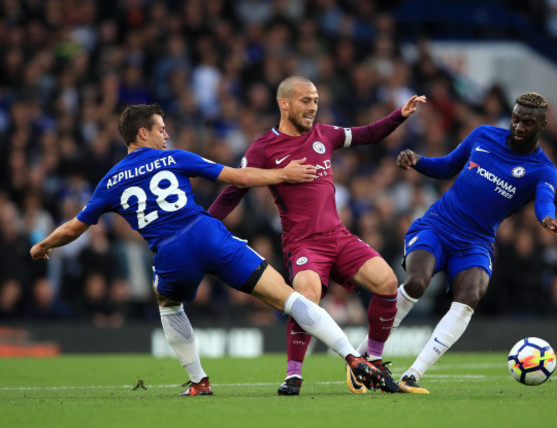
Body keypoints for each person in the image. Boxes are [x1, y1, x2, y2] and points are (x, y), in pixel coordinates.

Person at [29, 103, 387, 396]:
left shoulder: (109, 181)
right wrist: (283, 175)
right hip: (206, 232)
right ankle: (354, 359)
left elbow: (75, 227)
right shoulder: (175, 158)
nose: (166, 134)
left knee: (167, 302)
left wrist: (43, 244)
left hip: (169, 251)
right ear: (143, 133)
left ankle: (200, 381)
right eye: (160, 129)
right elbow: (239, 177)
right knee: (289, 297)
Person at [208, 76, 426, 395]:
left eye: (315, 101)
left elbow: (367, 134)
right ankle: (293, 375)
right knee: (306, 299)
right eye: (305, 101)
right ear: (284, 103)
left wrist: (400, 115)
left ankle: (372, 361)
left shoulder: (325, 134)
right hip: (304, 243)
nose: (313, 107)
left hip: (338, 237)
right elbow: (235, 188)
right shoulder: (264, 147)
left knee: (388, 282)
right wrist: (205, 222)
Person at [356, 92, 557, 393]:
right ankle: (362, 357)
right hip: (437, 226)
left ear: (543, 125)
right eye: (516, 119)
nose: (519, 127)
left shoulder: (544, 170)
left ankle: (413, 374)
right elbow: (446, 166)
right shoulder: (483, 135)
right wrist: (418, 161)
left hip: (476, 241)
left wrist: (548, 219)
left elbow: (545, 200)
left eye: (528, 123)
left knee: (470, 295)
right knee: (416, 283)